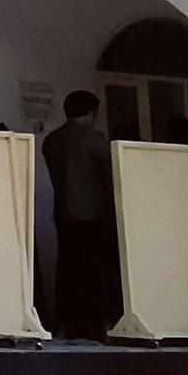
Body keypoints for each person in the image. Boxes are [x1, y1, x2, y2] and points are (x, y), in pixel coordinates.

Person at [42, 91, 121, 340]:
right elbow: (111, 169)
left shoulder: (52, 140)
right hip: (95, 213)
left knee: (69, 269)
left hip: (64, 213)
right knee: (98, 271)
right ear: (90, 113)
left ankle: (67, 322)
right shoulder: (93, 138)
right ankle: (100, 322)